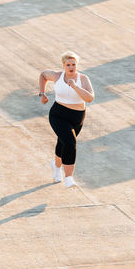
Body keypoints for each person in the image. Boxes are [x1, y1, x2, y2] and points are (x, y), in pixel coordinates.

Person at [38, 51, 94, 188]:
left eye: (73, 64)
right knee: (70, 142)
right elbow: (43, 75)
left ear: (76, 65)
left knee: (63, 143)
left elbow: (90, 98)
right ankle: (69, 178)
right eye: (68, 64)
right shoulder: (57, 76)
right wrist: (42, 93)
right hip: (58, 114)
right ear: (63, 65)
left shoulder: (83, 79)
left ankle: (56, 167)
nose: (71, 67)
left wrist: (75, 86)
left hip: (77, 116)